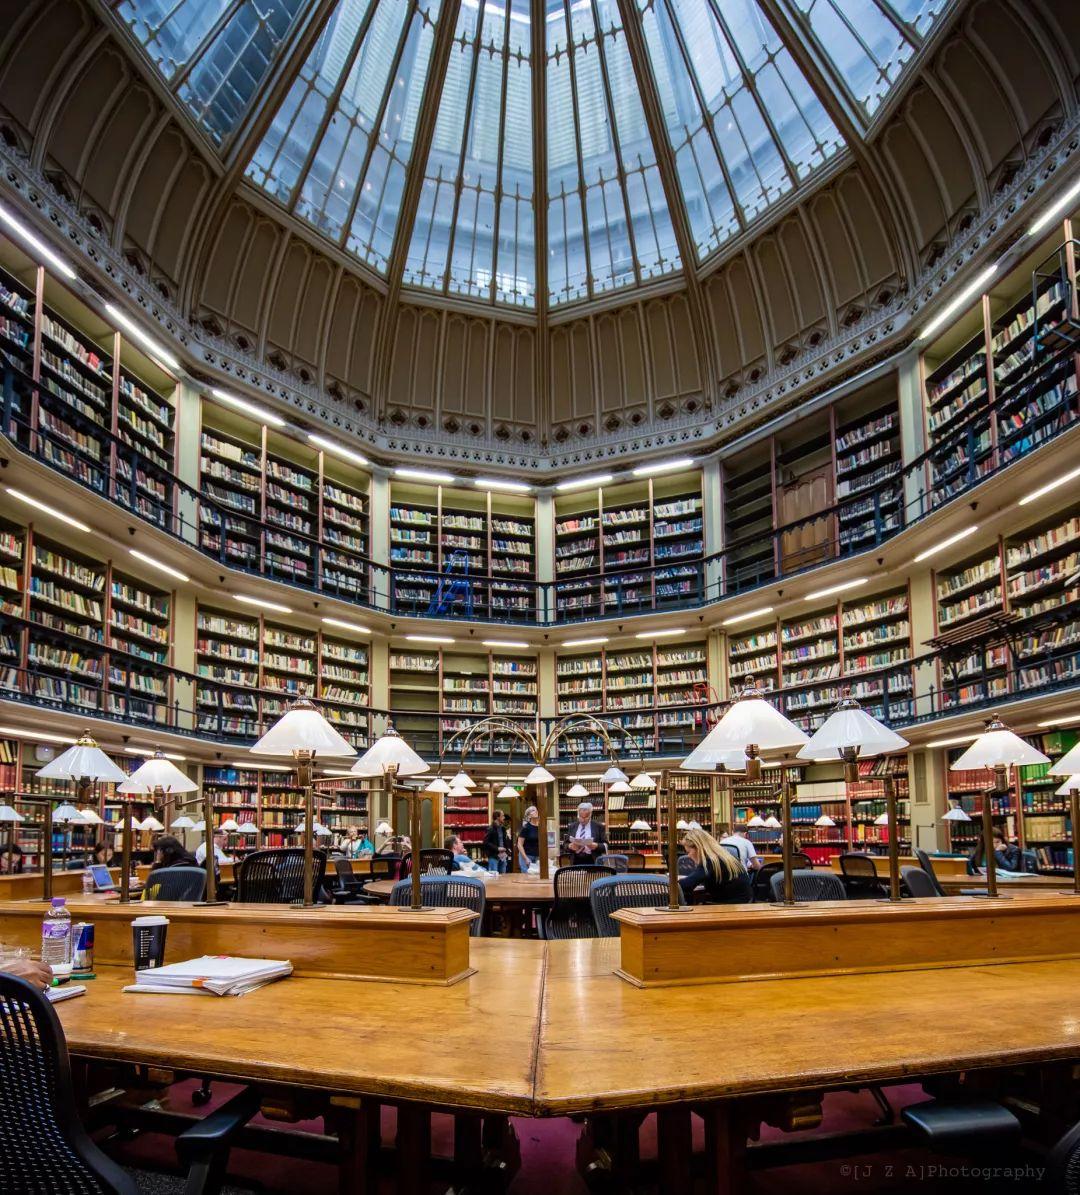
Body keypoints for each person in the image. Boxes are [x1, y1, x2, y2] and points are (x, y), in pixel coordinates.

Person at [678, 827, 753, 904]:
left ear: (699, 848)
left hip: (730, 906)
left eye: (689, 852)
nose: (688, 856)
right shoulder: (723, 855)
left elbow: (686, 885)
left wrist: (671, 882)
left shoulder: (710, 861)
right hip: (743, 902)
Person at [518, 806, 540, 871]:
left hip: (537, 856)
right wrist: (525, 858)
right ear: (529, 816)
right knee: (527, 877)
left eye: (536, 810)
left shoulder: (541, 827)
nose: (536, 811)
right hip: (527, 856)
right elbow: (519, 844)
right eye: (533, 810)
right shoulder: (526, 827)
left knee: (536, 878)